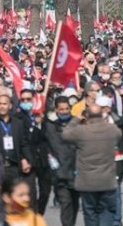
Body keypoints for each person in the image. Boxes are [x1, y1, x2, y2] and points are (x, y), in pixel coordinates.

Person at [62, 103, 122, 226]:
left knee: (90, 212)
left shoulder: (80, 131)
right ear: (102, 115)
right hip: (107, 180)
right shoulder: (112, 130)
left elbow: (65, 134)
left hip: (87, 182)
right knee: (107, 211)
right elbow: (119, 133)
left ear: (87, 115)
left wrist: (77, 119)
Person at [44, 96, 79, 226]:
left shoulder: (76, 122)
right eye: (61, 109)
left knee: (74, 202)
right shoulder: (50, 125)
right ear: (56, 110)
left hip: (75, 170)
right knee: (66, 202)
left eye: (66, 109)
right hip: (60, 172)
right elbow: (50, 145)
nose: (64, 112)